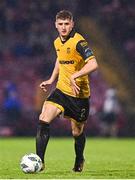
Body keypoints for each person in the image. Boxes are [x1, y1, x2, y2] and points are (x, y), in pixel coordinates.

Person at [36, 10, 98, 172]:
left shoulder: (79, 42)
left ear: (72, 25)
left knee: (77, 132)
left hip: (79, 95)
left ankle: (79, 159)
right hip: (61, 91)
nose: (63, 27)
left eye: (66, 24)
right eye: (60, 24)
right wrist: (51, 80)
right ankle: (39, 162)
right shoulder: (57, 42)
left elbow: (93, 64)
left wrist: (75, 76)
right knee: (43, 118)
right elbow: (60, 60)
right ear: (56, 25)